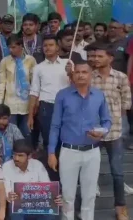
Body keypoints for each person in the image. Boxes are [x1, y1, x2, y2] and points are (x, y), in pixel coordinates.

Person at [48, 60, 112, 220]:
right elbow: (55, 125)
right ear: (73, 74)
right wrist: (51, 152)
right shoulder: (62, 95)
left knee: (89, 195)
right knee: (68, 195)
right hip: (69, 151)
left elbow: (107, 121)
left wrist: (102, 133)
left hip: (92, 151)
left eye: (84, 72)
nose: (81, 75)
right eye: (77, 72)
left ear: (91, 75)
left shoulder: (99, 95)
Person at [91, 44, 131, 219]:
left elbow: (126, 103)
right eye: (95, 56)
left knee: (117, 172)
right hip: (93, 133)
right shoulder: (89, 77)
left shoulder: (121, 78)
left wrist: (115, 118)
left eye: (100, 56)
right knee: (90, 172)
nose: (96, 59)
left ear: (110, 58)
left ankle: (120, 208)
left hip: (114, 132)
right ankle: (88, 208)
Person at [27, 35, 70, 180]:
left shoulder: (67, 63)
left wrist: (71, 72)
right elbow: (34, 92)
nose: (47, 48)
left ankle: (66, 175)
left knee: (65, 142)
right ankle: (53, 177)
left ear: (57, 46)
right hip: (47, 107)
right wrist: (30, 116)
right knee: (48, 142)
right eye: (45, 45)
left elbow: (76, 84)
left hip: (66, 107)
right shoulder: (38, 68)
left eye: (51, 45)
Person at [3, 139, 62, 220]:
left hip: (38, 205)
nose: (16, 158)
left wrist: (54, 197)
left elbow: (47, 187)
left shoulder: (38, 165)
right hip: (18, 205)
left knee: (50, 215)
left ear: (29, 156)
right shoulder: (6, 167)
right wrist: (9, 195)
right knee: (15, 213)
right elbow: (6, 190)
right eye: (14, 154)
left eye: (20, 155)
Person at [0, 35, 36, 137]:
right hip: (10, 103)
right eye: (9, 47)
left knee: (26, 132)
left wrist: (35, 102)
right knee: (10, 133)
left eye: (13, 47)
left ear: (21, 46)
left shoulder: (30, 60)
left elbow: (34, 83)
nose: (10, 50)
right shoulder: (5, 61)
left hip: (26, 103)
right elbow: (1, 84)